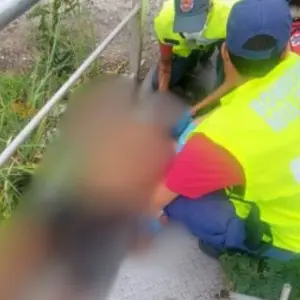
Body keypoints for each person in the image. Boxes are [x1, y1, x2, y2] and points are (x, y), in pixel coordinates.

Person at [150, 0, 300, 261]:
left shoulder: (220, 138)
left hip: (290, 240)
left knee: (179, 201)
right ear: (287, 47)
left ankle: (235, 244)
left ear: (225, 53)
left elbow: (153, 198)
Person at [153, 0, 239, 92]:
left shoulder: (231, 14)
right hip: (184, 50)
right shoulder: (164, 21)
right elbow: (165, 63)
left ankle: (208, 54)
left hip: (219, 40)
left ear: (209, 9)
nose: (189, 29)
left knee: (227, 82)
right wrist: (162, 93)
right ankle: (193, 58)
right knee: (156, 84)